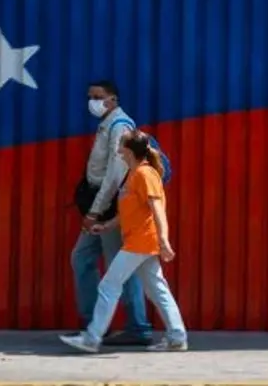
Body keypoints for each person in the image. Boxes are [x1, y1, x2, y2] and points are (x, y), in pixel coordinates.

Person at [61, 129, 188, 353]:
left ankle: (92, 338)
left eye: (121, 143)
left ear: (128, 150)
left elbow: (157, 209)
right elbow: (129, 211)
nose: (117, 146)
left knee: (109, 286)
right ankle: (177, 336)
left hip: (141, 242)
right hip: (140, 241)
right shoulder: (134, 173)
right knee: (158, 289)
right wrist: (107, 226)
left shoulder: (145, 174)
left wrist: (164, 241)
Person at [68, 81, 153, 346]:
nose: (93, 101)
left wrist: (95, 211)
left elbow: (115, 176)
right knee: (81, 258)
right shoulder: (106, 125)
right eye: (90, 96)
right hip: (99, 204)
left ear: (113, 99)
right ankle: (94, 322)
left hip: (109, 206)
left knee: (120, 266)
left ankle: (138, 327)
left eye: (99, 97)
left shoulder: (120, 127)